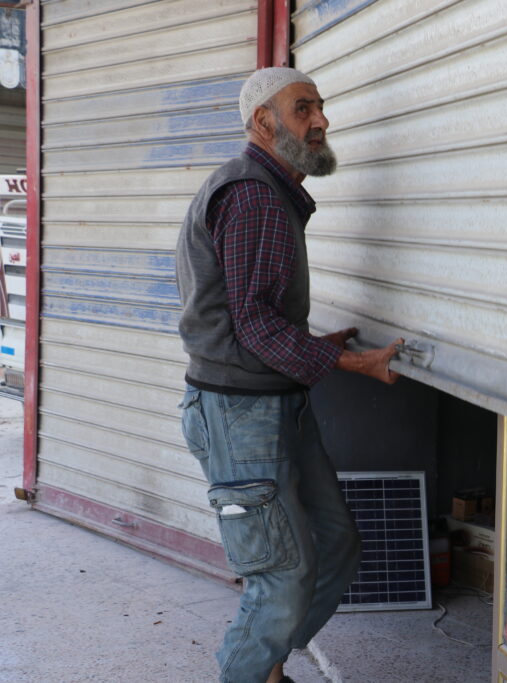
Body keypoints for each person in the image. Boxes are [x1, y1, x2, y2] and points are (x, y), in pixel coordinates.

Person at [175, 67, 402, 683]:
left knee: (332, 546)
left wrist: (313, 347)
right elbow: (252, 323)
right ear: (263, 123)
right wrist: (349, 363)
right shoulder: (252, 193)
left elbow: (248, 314)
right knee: (282, 572)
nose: (321, 121)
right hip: (239, 414)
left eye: (320, 108)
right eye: (304, 109)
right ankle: (248, 671)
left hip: (274, 401)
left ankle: (265, 662)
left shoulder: (268, 191)